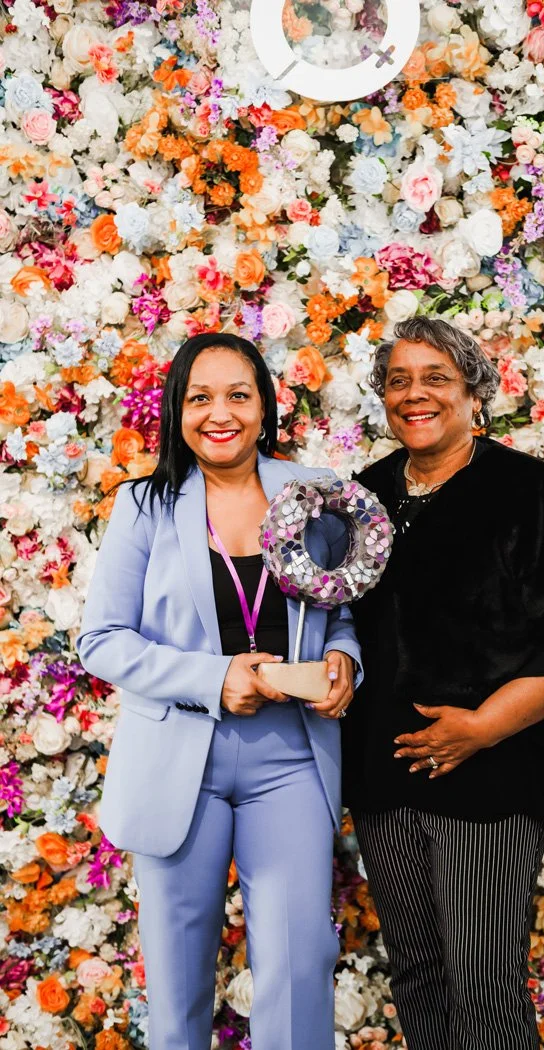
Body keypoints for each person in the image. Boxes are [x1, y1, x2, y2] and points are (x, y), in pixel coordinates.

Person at [77, 332, 362, 1050]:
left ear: (265, 406)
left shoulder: (316, 490)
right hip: (179, 762)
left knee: (300, 968)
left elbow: (342, 603)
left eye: (238, 394)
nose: (220, 413)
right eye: (200, 397)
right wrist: (214, 678)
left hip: (291, 759)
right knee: (176, 986)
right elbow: (102, 639)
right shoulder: (144, 505)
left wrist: (345, 661)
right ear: (177, 411)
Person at [342, 317, 544, 1050]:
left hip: (491, 776)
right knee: (418, 977)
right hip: (384, 773)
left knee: (484, 988)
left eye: (435, 378)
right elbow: (337, 626)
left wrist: (482, 727)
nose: (414, 394)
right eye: (398, 380)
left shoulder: (529, 491)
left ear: (473, 392)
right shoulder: (362, 498)